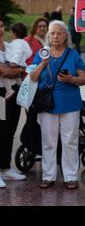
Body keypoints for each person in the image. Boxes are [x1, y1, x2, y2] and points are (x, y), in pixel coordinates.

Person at [30, 20, 85, 189]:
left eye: (59, 33)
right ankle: (48, 176)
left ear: (65, 37)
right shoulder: (42, 53)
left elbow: (84, 79)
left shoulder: (73, 54)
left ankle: (70, 177)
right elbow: (32, 77)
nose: (55, 36)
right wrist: (42, 64)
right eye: (52, 33)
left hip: (70, 103)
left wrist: (70, 79)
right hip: (47, 104)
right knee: (48, 141)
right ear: (48, 35)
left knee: (70, 141)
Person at [0, 16, 26, 188]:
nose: (0, 28)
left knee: (10, 130)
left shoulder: (11, 47)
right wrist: (12, 70)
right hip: (0, 94)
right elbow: (9, 71)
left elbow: (21, 68)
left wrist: (12, 70)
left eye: (1, 25)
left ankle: (6, 167)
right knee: (0, 130)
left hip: (13, 92)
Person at [2, 23, 32, 100]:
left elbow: (17, 53)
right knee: (17, 77)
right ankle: (22, 88)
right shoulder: (24, 42)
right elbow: (29, 53)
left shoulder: (16, 43)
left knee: (3, 75)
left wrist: (14, 62)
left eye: (11, 32)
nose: (10, 35)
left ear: (14, 34)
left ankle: (9, 90)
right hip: (21, 64)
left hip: (14, 63)